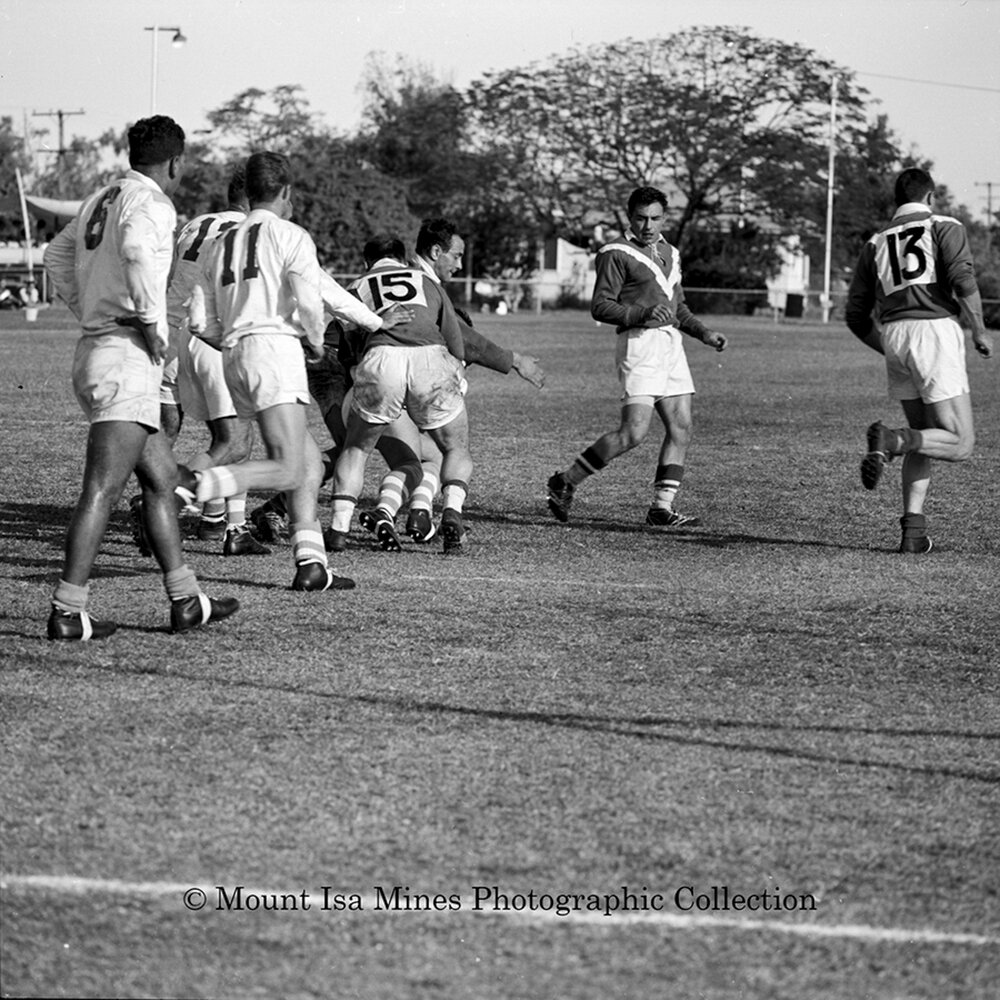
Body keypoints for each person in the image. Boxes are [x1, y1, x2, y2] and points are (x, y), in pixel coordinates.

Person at [42, 115, 239, 640]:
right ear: (176, 162)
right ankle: (67, 609)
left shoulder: (99, 197)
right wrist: (152, 326)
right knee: (101, 491)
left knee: (160, 482)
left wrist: (86, 307)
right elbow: (133, 250)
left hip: (99, 351)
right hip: (124, 355)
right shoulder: (152, 203)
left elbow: (55, 254)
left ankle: (186, 599)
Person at [183, 150, 359, 592]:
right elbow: (310, 298)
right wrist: (317, 341)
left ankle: (311, 563)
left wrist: (231, 339)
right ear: (285, 192)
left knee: (305, 465)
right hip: (274, 353)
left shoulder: (221, 240)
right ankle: (192, 487)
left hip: (234, 355)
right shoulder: (290, 234)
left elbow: (198, 318)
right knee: (288, 467)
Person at [546, 186, 726, 527]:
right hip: (639, 344)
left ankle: (661, 506)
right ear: (630, 217)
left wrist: (704, 333)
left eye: (655, 218)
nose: (648, 225)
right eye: (641, 218)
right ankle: (565, 481)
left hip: (671, 345)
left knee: (682, 427)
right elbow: (601, 305)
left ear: (665, 218)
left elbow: (678, 307)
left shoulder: (670, 252)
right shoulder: (615, 252)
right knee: (634, 433)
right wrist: (641, 313)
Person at [845, 167, 993, 553]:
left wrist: (891, 350)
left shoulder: (875, 242)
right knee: (960, 443)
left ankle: (913, 533)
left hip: (894, 335)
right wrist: (978, 330)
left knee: (925, 439)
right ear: (930, 196)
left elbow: (855, 316)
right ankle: (891, 439)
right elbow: (963, 282)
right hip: (934, 332)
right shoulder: (944, 225)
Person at [328, 233, 472, 555]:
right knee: (454, 447)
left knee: (356, 450)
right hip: (429, 357)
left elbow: (347, 344)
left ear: (367, 263)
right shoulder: (425, 279)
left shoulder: (359, 285)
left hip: (381, 359)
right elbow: (453, 334)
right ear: (402, 257)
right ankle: (451, 514)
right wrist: (457, 368)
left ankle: (338, 530)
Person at [162, 165, 269, 557]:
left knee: (166, 434)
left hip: (171, 338)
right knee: (237, 439)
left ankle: (212, 519)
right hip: (212, 337)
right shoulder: (250, 231)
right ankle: (174, 501)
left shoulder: (195, 224)